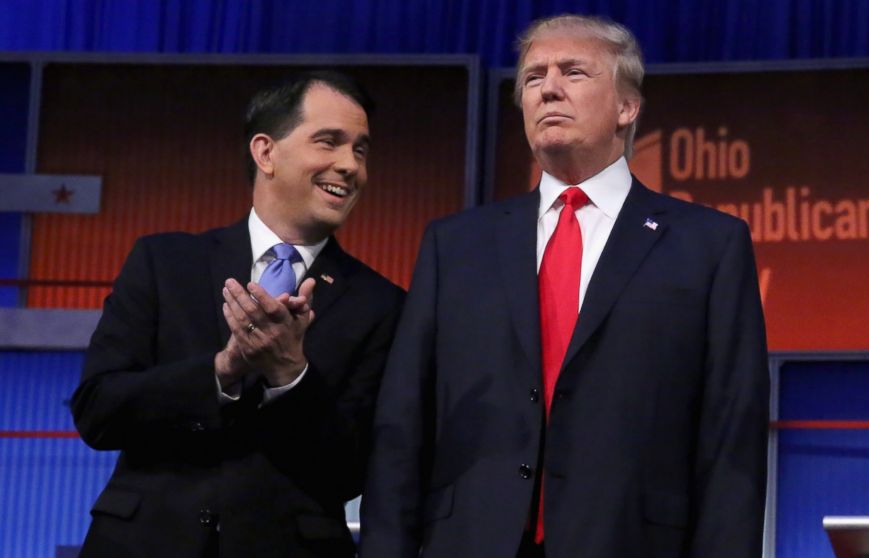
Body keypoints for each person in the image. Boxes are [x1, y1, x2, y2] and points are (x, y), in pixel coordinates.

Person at [360, 14, 769, 558]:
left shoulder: (708, 246)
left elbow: (731, 440)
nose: (548, 88)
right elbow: (401, 430)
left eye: (573, 72)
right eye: (532, 78)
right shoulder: (454, 246)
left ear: (627, 107)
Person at [72, 70, 404, 557]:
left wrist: (290, 376)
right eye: (328, 142)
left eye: (360, 149)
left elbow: (353, 470)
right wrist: (221, 371)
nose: (349, 165)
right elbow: (98, 412)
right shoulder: (166, 263)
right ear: (266, 152)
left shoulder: (382, 304)